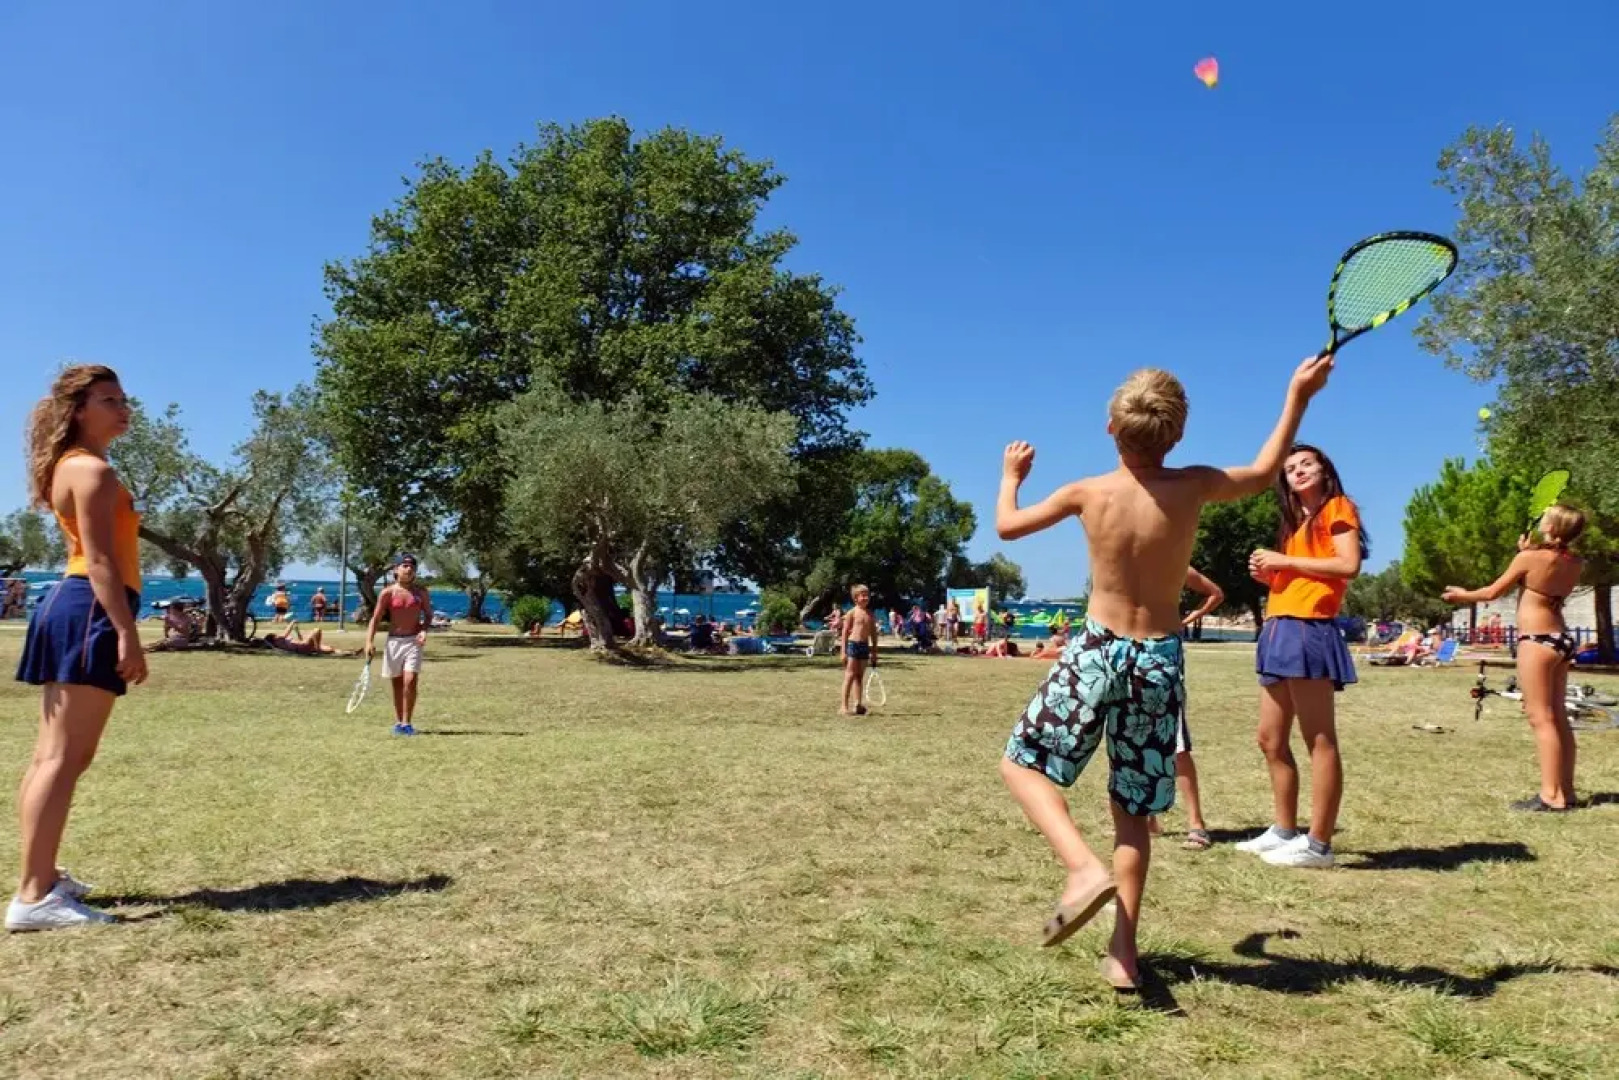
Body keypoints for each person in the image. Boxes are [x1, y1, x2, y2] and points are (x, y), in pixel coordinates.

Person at [997, 355, 1331, 990]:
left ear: (1109, 429)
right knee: (1132, 810)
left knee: (1021, 764)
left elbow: (1008, 527)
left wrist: (1011, 476)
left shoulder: (1087, 492)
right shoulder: (1193, 484)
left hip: (1098, 648)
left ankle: (1079, 866)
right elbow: (1264, 473)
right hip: (1157, 658)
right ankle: (1123, 953)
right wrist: (1298, 394)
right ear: (1176, 435)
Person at [10, 365, 146, 930]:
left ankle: (40, 876)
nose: (123, 408)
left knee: (57, 757)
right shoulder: (92, 471)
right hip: (88, 607)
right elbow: (100, 560)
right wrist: (128, 632)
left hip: (75, 606)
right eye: (109, 400)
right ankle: (34, 894)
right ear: (79, 409)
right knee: (62, 760)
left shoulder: (75, 466)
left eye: (123, 398)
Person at [1237, 444, 1367, 870]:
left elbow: (1348, 565)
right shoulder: (1297, 525)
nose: (1298, 471)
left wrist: (1284, 560)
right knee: (1269, 738)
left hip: (1310, 627)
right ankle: (1284, 830)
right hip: (1279, 626)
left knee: (1319, 739)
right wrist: (1270, 574)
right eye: (1290, 468)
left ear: (1324, 469)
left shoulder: (1338, 508)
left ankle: (1319, 845)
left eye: (1306, 463)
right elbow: (1299, 572)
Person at [1442, 508, 1586, 811]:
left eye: (1548, 515)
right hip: (1561, 639)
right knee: (1558, 717)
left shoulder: (1530, 558)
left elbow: (1493, 592)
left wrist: (1461, 596)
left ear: (1552, 526)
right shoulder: (1574, 562)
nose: (1543, 516)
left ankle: (1550, 796)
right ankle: (1566, 792)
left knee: (1540, 718)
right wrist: (1529, 551)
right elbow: (1545, 572)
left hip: (1536, 640)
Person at [1150, 567, 1224, 851]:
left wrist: (1185, 620)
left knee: (1176, 743)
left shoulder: (1174, 560)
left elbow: (1215, 593)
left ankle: (1196, 823)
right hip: (1130, 648)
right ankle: (1148, 819)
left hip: (1164, 654)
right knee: (1137, 735)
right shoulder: (1124, 554)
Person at [365, 554, 432, 736]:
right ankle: (399, 723)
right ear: (396, 569)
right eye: (404, 565)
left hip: (413, 641)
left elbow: (428, 615)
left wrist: (423, 630)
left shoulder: (421, 592)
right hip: (394, 641)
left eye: (412, 566)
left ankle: (407, 722)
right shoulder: (387, 593)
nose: (408, 569)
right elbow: (376, 618)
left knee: (410, 681)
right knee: (397, 683)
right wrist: (369, 642)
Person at [839, 585, 879, 716]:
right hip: (853, 645)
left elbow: (873, 634)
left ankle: (858, 704)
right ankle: (844, 706)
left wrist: (874, 652)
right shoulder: (852, 612)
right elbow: (844, 632)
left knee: (859, 677)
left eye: (867, 594)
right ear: (855, 598)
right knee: (849, 675)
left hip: (864, 646)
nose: (865, 597)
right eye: (862, 595)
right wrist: (843, 651)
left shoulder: (870, 615)